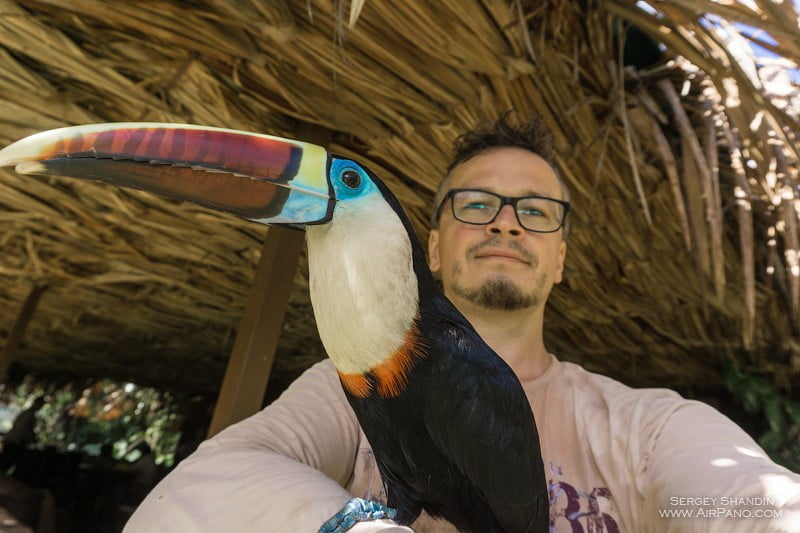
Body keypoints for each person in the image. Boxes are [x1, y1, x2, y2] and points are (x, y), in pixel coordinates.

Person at [124, 114, 800, 532]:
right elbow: (213, 480)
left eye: (535, 212)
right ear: (434, 245)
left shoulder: (647, 425)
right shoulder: (344, 382)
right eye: (476, 204)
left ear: (561, 260)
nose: (506, 222)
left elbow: (752, 502)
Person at [0, 395, 45, 475]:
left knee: (5, 464)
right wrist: (33, 440)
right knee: (5, 464)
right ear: (37, 403)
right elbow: (25, 430)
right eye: (41, 405)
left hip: (13, 440)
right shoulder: (29, 414)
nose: (41, 407)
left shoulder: (27, 413)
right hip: (14, 441)